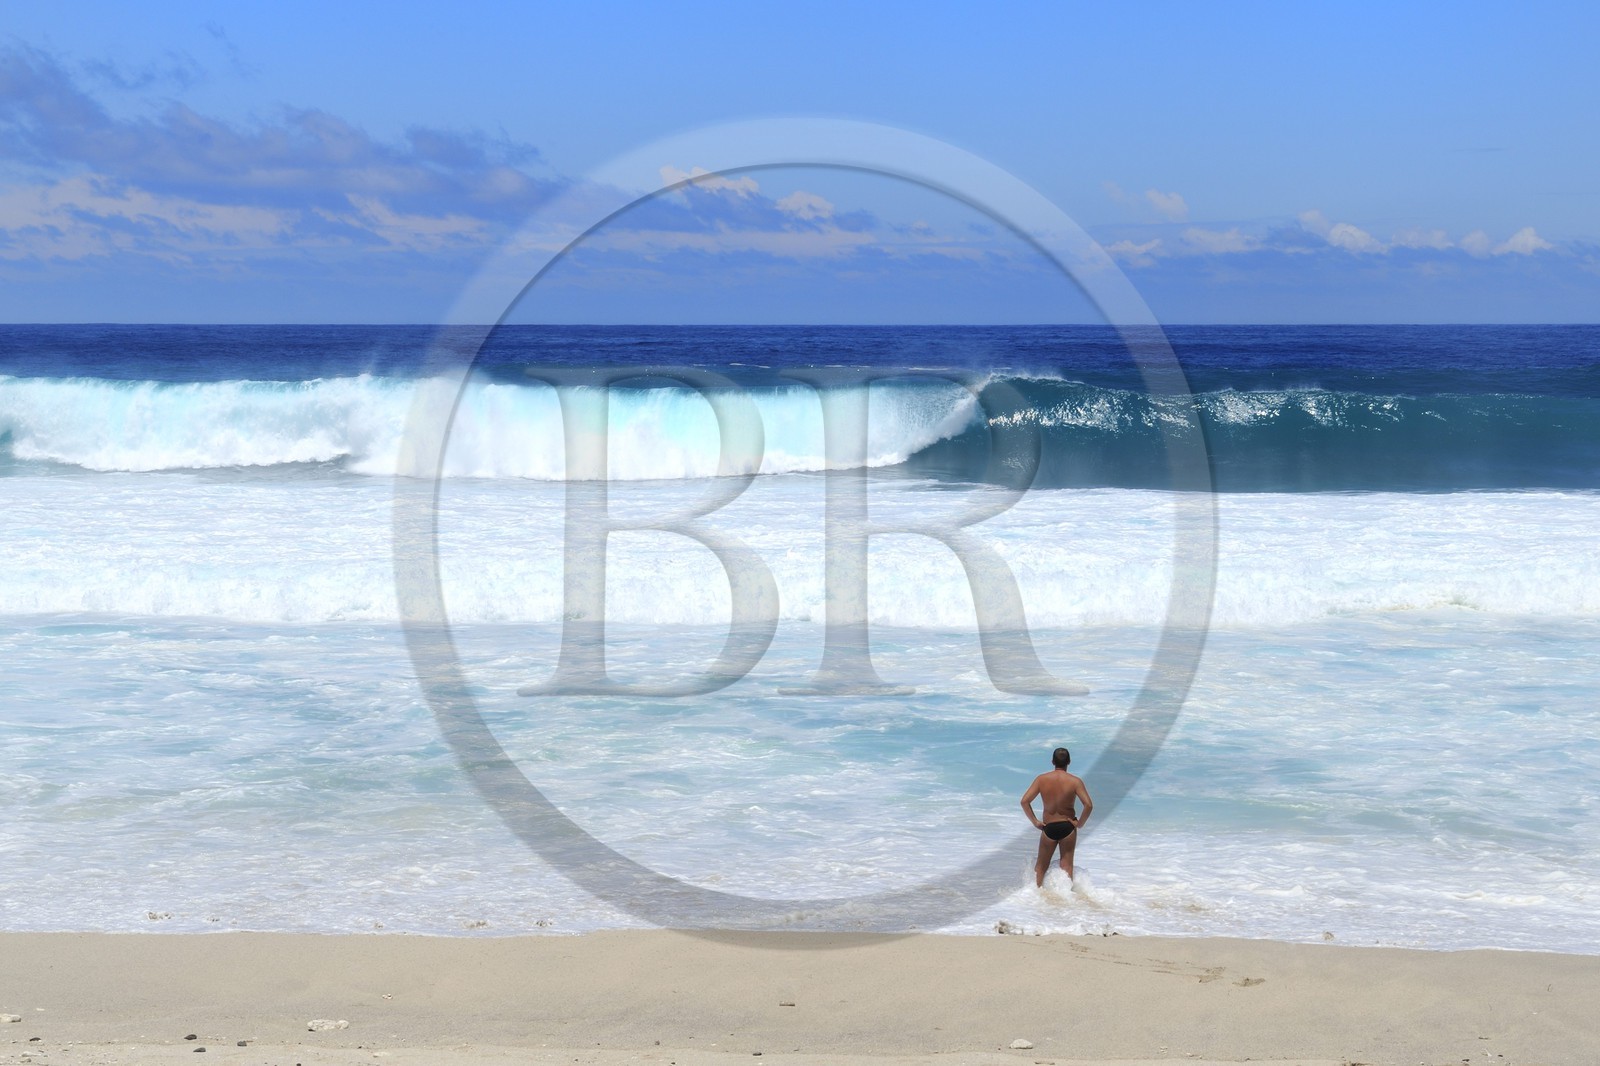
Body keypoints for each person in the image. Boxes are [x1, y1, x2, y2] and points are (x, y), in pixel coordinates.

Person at [1019, 746, 1092, 886]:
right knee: (1067, 867)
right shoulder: (1075, 781)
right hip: (1068, 827)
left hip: (1048, 827)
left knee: (1040, 867)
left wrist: (1035, 822)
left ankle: (1036, 896)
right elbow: (1088, 805)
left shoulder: (1042, 779)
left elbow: (1024, 801)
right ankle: (1067, 899)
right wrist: (1080, 824)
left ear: (1052, 761)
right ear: (1069, 762)